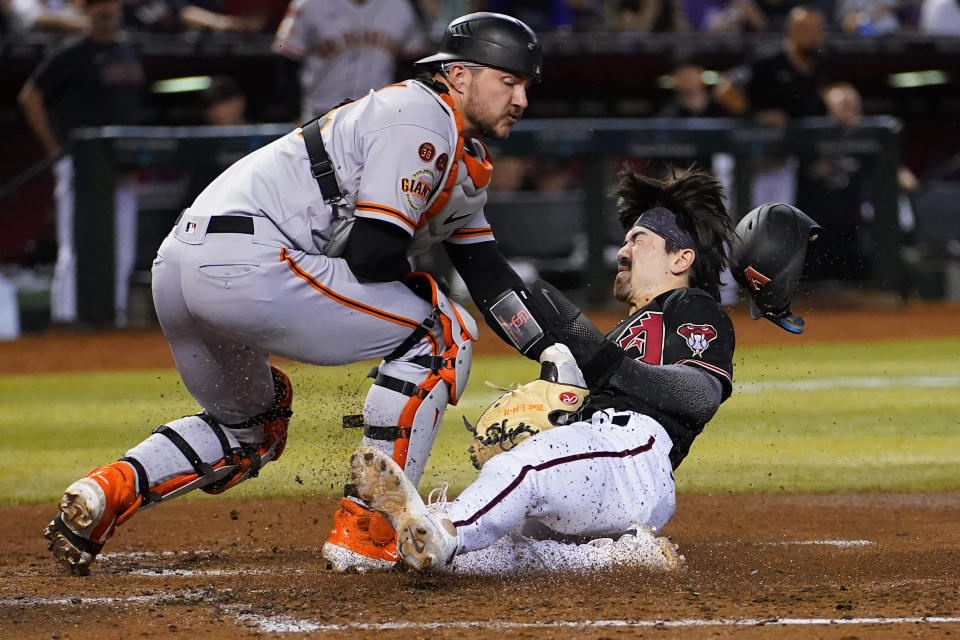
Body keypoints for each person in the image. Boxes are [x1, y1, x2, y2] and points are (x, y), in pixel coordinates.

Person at [43, 11, 548, 576]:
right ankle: (370, 530)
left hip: (183, 262)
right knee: (441, 330)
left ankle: (104, 491)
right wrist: (422, 292)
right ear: (457, 76)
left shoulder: (451, 148)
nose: (522, 98)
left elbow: (488, 273)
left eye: (527, 84)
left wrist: (555, 349)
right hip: (249, 261)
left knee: (251, 426)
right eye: (509, 81)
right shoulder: (422, 116)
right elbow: (372, 254)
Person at [348, 169, 745, 571]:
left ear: (681, 257)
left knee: (523, 469)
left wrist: (606, 361)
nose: (623, 250)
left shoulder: (692, 305)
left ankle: (444, 530)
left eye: (638, 240)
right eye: (624, 239)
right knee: (503, 545)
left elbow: (701, 393)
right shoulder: (621, 332)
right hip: (601, 460)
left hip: (635, 455)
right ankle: (621, 556)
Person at [17, 0, 144, 327]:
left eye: (111, 3)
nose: (106, 9)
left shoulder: (129, 50)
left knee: (123, 246)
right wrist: (53, 149)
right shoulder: (72, 53)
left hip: (122, 161)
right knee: (74, 246)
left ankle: (114, 318)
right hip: (82, 162)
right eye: (98, 4)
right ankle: (66, 318)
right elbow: (30, 95)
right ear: (87, 11)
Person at [713, 5, 829, 209]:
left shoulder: (818, 64)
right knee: (734, 228)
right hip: (744, 155)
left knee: (776, 229)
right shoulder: (768, 58)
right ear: (791, 31)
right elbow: (724, 90)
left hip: (781, 158)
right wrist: (757, 116)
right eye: (807, 29)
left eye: (817, 30)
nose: (814, 36)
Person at [271, 0, 428, 124]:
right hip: (321, 115)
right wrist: (294, 114)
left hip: (378, 115)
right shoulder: (308, 5)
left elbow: (412, 63)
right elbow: (286, 62)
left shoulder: (399, 7)